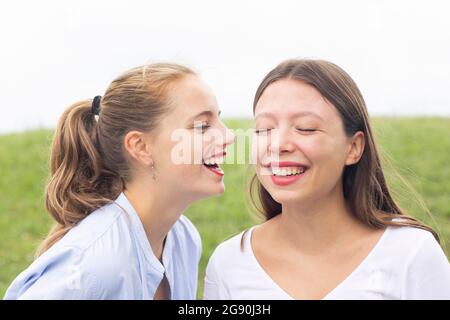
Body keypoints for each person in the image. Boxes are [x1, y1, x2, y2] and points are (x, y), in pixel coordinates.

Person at [204, 59, 450, 300]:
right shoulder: (229, 263)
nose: (278, 145)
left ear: (354, 147)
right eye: (264, 129)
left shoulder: (412, 254)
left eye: (306, 128)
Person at [4, 63, 234, 299]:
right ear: (141, 147)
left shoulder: (184, 239)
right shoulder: (93, 267)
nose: (229, 136)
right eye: (203, 126)